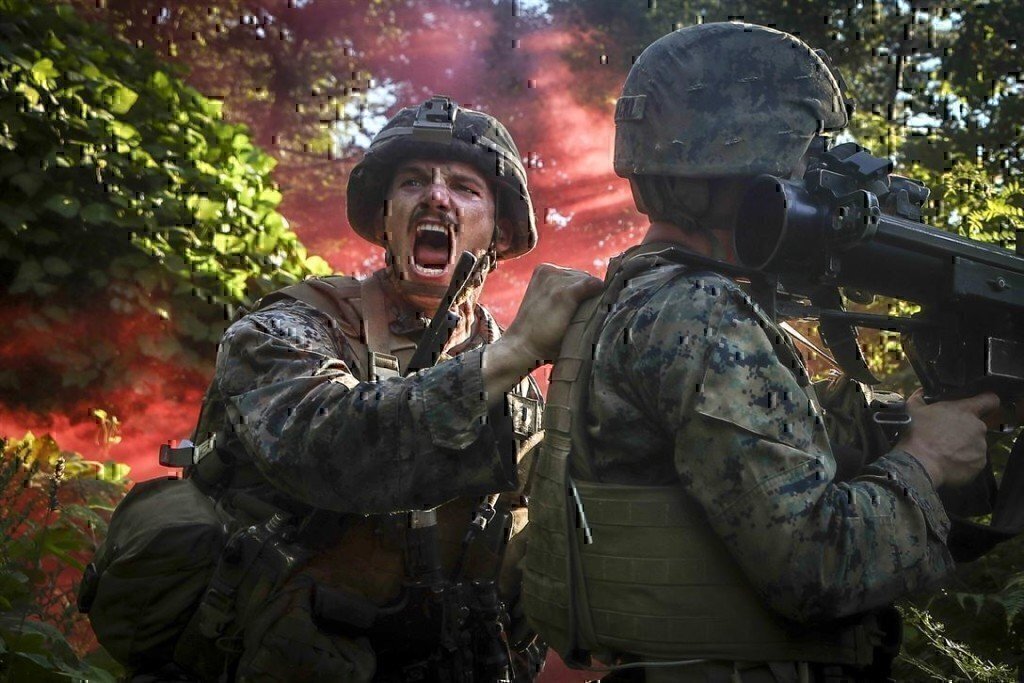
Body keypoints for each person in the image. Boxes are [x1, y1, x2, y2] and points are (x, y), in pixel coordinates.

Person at [522, 23, 1000, 682]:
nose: (820, 178)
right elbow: (818, 567)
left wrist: (905, 421)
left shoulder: (631, 297)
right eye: (808, 157)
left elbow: (756, 458)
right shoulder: (704, 314)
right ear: (750, 162)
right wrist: (928, 460)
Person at [164, 95, 600, 681]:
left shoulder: (516, 384)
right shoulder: (294, 326)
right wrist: (515, 353)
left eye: (466, 188)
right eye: (414, 181)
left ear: (498, 232)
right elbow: (328, 447)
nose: (437, 196)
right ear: (385, 217)